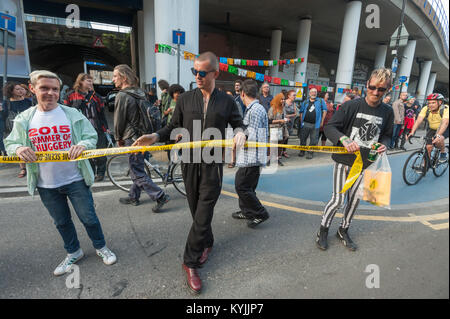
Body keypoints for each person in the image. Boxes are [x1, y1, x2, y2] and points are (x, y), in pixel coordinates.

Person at [132, 52, 246, 294]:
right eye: (194, 72)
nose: (197, 76)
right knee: (196, 210)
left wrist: (240, 133)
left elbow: (239, 123)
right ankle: (208, 242)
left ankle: (190, 262)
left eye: (202, 73)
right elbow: (173, 126)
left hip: (213, 162)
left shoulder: (227, 102)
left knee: (204, 210)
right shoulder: (185, 99)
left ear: (216, 73)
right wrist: (154, 136)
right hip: (189, 161)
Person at [4, 70, 116, 276]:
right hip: (46, 184)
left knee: (89, 218)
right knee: (61, 222)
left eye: (55, 89)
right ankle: (73, 252)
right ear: (32, 89)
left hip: (75, 179)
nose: (50, 93)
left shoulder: (71, 113)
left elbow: (90, 137)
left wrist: (82, 145)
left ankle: (101, 247)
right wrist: (18, 149)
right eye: (44, 88)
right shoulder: (24, 119)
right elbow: (11, 143)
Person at [315, 68, 394, 251]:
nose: (375, 92)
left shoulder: (387, 111)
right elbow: (331, 127)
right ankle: (323, 230)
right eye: (373, 87)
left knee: (355, 200)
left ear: (387, 89)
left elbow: (388, 135)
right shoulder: (351, 106)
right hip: (344, 161)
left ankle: (343, 230)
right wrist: (343, 139)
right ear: (367, 85)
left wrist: (384, 145)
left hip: (368, 164)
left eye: (381, 89)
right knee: (338, 200)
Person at [113, 64, 170, 211]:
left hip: (131, 138)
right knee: (138, 167)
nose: (113, 80)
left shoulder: (122, 95)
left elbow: (119, 121)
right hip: (145, 137)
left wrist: (118, 138)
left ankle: (159, 195)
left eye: (115, 76)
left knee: (136, 171)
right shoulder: (140, 92)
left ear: (124, 77)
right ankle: (133, 196)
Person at [232, 79, 270, 228]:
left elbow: (251, 134)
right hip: (252, 155)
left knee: (241, 186)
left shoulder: (254, 110)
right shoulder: (256, 108)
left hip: (251, 156)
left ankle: (260, 213)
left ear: (242, 93)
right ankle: (247, 211)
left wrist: (237, 138)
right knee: (248, 187)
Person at [64, 73, 110, 182]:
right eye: (88, 81)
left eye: (91, 81)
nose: (91, 83)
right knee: (86, 153)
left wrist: (106, 128)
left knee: (100, 152)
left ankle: (101, 173)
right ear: (80, 82)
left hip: (96, 127)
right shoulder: (70, 96)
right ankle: (91, 172)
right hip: (80, 130)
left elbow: (102, 114)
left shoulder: (96, 96)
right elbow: (66, 113)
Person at [3, 81, 33, 178]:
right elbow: (3, 117)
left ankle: (32, 167)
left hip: (28, 127)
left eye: (21, 89)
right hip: (12, 128)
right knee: (19, 147)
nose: (21, 90)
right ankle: (23, 168)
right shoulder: (6, 103)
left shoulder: (28, 101)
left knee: (29, 146)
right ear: (11, 91)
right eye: (17, 89)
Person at [407, 93, 449, 163]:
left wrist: (438, 135)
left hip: (445, 127)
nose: (430, 105)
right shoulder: (426, 108)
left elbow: (445, 123)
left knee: (439, 139)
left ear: (440, 102)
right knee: (428, 147)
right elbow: (418, 121)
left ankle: (443, 152)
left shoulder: (445, 109)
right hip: (432, 128)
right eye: (429, 103)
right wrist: (412, 132)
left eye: (433, 103)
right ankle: (426, 164)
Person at [298, 87, 328, 159]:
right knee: (303, 138)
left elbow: (325, 111)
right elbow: (301, 112)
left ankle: (310, 153)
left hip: (315, 124)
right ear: (309, 93)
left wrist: (322, 121)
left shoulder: (321, 101)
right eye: (312, 92)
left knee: (313, 140)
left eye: (315, 92)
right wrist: (301, 121)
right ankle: (302, 151)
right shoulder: (305, 102)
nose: (313, 93)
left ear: (316, 94)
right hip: (305, 123)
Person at [268, 93, 289, 166]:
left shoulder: (283, 108)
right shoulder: (272, 108)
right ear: (277, 99)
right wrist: (280, 121)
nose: (283, 100)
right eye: (281, 99)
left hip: (281, 129)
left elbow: (283, 117)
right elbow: (269, 121)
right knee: (273, 145)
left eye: (284, 99)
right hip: (274, 129)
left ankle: (277, 159)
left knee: (279, 144)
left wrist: (285, 120)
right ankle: (270, 160)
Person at [282, 89, 298, 157]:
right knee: (282, 137)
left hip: (290, 123)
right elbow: (282, 114)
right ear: (288, 96)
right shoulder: (284, 102)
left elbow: (296, 113)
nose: (295, 96)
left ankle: (284, 151)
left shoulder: (294, 103)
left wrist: (289, 115)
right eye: (293, 95)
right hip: (283, 123)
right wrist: (291, 115)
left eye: (295, 95)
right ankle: (279, 152)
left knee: (287, 138)